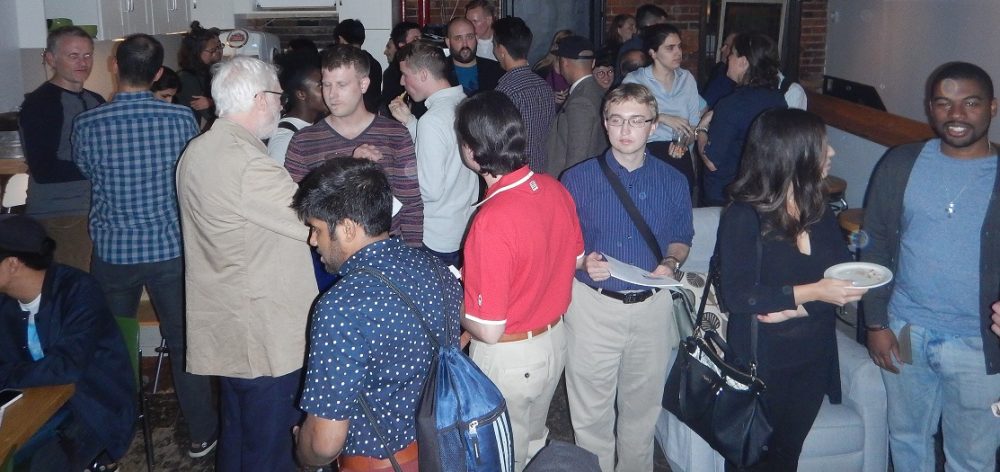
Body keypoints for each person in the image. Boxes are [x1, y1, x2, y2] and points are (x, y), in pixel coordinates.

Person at [71, 33, 219, 459]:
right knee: (184, 341)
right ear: (157, 75)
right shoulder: (179, 119)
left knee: (113, 344)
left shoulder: (88, 123)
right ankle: (201, 432)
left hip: (113, 251)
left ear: (115, 65)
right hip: (169, 248)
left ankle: (112, 434)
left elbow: (86, 170)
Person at [176, 56, 318, 472]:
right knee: (271, 450)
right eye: (277, 97)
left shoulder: (198, 149)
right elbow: (311, 223)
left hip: (228, 325)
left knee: (238, 440)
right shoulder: (247, 163)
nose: (281, 105)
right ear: (259, 98)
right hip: (263, 334)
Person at [862, 61, 1000, 472]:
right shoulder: (900, 163)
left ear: (993, 107)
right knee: (906, 441)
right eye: (943, 103)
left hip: (980, 345)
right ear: (930, 108)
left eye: (970, 103)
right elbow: (874, 242)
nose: (956, 115)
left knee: (972, 458)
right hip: (907, 329)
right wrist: (875, 322)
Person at [292, 158, 462, 471]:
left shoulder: (340, 307)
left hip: (381, 463)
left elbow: (324, 443)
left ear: (347, 228)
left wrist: (304, 454)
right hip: (446, 447)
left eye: (316, 229)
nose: (312, 241)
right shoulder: (436, 269)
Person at [717, 108, 864, 471]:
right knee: (751, 461)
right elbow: (738, 295)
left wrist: (798, 306)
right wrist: (812, 292)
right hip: (762, 362)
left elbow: (843, 280)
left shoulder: (819, 209)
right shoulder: (744, 216)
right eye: (823, 145)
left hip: (812, 359)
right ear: (791, 153)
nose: (832, 153)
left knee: (787, 457)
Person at [560, 83, 693, 472]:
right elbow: (562, 245)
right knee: (590, 416)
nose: (625, 130)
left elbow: (682, 236)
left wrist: (671, 261)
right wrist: (582, 262)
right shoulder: (576, 179)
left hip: (652, 306)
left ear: (653, 126)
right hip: (593, 307)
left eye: (636, 121)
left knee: (642, 413)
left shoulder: (673, 180)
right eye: (617, 120)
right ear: (605, 124)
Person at [457, 91, 583, 471]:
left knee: (502, 455)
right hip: (554, 343)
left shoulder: (492, 219)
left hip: (511, 357)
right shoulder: (554, 188)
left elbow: (488, 329)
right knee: (534, 441)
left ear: (472, 151)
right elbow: (575, 259)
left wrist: (454, 298)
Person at [0, 215, 134, 471]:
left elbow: (67, 367)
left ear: (13, 264)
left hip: (90, 408)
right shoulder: (5, 301)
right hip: (30, 405)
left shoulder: (79, 290)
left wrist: (6, 374)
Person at [285, 44, 424, 248]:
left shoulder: (395, 135)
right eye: (326, 85)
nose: (332, 95)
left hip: (384, 252)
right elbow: (297, 207)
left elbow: (410, 205)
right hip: (327, 255)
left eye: (341, 85)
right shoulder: (303, 141)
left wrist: (412, 254)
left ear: (363, 84)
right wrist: (352, 168)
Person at [18, 26, 104, 272]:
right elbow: (44, 169)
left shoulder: (96, 100)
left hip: (94, 210)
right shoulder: (41, 104)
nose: (83, 63)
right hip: (62, 214)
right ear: (51, 59)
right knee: (75, 287)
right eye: (73, 56)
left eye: (87, 55)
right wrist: (101, 169)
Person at [389, 41, 477, 266]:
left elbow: (430, 190)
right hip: (462, 227)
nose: (401, 82)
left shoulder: (432, 120)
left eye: (405, 74)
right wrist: (411, 122)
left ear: (423, 74)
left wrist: (390, 178)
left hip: (436, 236)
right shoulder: (464, 102)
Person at [699, 32, 788, 207]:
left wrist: (701, 129)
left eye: (732, 53)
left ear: (744, 62)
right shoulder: (778, 99)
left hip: (725, 197)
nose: (728, 58)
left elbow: (711, 162)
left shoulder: (732, 104)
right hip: (762, 192)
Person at [622, 23, 703, 197]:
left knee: (680, 199)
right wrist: (662, 117)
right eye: (670, 48)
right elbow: (624, 119)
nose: (678, 52)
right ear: (653, 53)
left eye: (679, 46)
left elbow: (693, 125)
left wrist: (682, 143)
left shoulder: (686, 79)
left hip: (679, 153)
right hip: (646, 150)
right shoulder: (636, 80)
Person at [493, 17, 557, 174]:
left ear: (501, 51)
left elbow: (500, 143)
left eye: (494, 45)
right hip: (543, 171)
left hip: (516, 174)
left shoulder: (505, 91)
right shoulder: (544, 86)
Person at [545, 35, 609, 176]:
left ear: (564, 62)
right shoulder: (597, 90)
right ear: (593, 63)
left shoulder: (581, 100)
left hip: (574, 181)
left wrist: (568, 184)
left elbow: (577, 155)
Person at [267, 52, 327, 165]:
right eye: (320, 86)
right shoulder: (284, 138)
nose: (329, 91)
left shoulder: (316, 124)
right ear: (301, 94)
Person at [176, 21, 222, 128]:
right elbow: (210, 115)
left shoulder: (207, 73)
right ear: (196, 52)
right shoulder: (187, 79)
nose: (216, 53)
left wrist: (212, 102)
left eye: (218, 48)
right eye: (212, 51)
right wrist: (213, 103)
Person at [334, 19, 383, 114]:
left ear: (341, 39)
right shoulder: (374, 63)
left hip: (348, 116)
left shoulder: (342, 63)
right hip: (371, 116)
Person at [446, 17, 503, 96]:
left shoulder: (496, 70)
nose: (465, 44)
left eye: (469, 37)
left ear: (476, 38)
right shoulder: (438, 73)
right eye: (458, 38)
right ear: (448, 42)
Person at [380, 21, 423, 117]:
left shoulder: (425, 64)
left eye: (421, 38)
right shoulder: (392, 74)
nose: (421, 42)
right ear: (402, 45)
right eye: (415, 39)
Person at [532, 29, 573, 106]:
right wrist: (548, 97)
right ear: (555, 46)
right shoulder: (541, 69)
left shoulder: (575, 70)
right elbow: (531, 96)